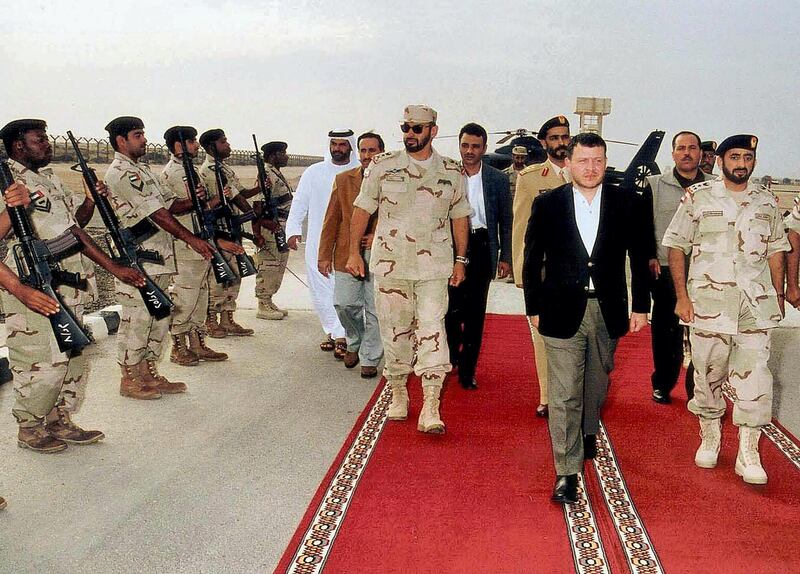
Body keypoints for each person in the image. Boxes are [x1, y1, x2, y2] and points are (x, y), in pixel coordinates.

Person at [0, 119, 145, 451]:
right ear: (19, 145)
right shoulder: (6, 182)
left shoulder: (47, 179)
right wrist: (11, 207)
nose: (47, 145)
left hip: (67, 284)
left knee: (73, 359)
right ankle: (30, 426)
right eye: (40, 140)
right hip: (31, 285)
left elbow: (73, 230)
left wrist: (91, 201)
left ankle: (59, 419)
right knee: (42, 362)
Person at [523, 132, 650, 504]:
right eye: (583, 161)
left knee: (595, 383)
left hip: (607, 309)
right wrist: (533, 306)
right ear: (569, 163)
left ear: (606, 163)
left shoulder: (629, 203)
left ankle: (588, 428)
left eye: (597, 161)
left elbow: (642, 260)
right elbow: (532, 260)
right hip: (559, 309)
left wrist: (641, 306)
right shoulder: (548, 205)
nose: (590, 168)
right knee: (564, 394)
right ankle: (567, 471)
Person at [664, 134, 788, 485]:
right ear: (720, 161)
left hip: (754, 306)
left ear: (753, 162)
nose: (741, 163)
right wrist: (681, 297)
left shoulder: (767, 203)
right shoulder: (699, 198)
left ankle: (749, 451)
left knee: (756, 378)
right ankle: (711, 434)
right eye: (734, 156)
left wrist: (777, 294)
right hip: (708, 304)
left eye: (747, 157)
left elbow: (777, 250)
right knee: (707, 374)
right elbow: (676, 245)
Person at [346, 104, 471, 434]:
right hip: (392, 266)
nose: (410, 135)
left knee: (432, 330)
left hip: (433, 268)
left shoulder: (451, 171)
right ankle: (399, 392)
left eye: (417, 129)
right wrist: (353, 252)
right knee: (394, 331)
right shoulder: (383, 167)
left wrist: (461, 260)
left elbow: (460, 216)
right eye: (405, 128)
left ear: (433, 130)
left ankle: (431, 405)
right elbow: (362, 210)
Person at [103, 116, 215, 400]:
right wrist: (190, 238)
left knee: (156, 319)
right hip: (139, 258)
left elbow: (171, 205)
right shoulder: (122, 173)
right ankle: (129, 377)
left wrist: (195, 200)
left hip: (159, 257)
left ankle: (148, 372)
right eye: (138, 135)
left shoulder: (143, 170)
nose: (144, 139)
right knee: (137, 320)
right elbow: (157, 213)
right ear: (121, 141)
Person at [645, 131, 714, 404]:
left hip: (705, 272)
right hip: (664, 271)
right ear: (673, 153)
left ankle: (695, 388)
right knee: (665, 333)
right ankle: (662, 383)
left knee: (704, 334)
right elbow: (643, 229)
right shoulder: (654, 185)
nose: (687, 153)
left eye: (692, 148)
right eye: (681, 148)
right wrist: (649, 257)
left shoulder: (715, 187)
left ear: (700, 154)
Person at [512, 115, 572, 418]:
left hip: (578, 273)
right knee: (543, 337)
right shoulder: (531, 178)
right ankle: (548, 396)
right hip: (546, 273)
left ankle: (575, 395)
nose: (561, 143)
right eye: (555, 138)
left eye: (565, 137)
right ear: (543, 143)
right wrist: (524, 272)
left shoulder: (585, 172)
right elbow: (521, 227)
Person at [445, 123, 512, 389]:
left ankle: (467, 371)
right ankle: (451, 357)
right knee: (450, 310)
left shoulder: (497, 179)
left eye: (475, 146)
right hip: (451, 248)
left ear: (484, 148)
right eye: (465, 145)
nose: (469, 151)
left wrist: (505, 256)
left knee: (475, 313)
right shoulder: (449, 175)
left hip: (483, 246)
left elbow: (506, 221)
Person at [160, 126, 233, 366]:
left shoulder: (191, 170)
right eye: (191, 141)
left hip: (202, 240)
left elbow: (202, 207)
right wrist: (195, 200)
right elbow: (172, 208)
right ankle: (178, 348)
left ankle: (198, 344)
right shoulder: (172, 173)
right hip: (185, 245)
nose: (195, 145)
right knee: (185, 298)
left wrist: (217, 199)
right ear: (178, 145)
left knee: (201, 297)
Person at [286, 129, 358, 358]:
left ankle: (346, 333)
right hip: (318, 240)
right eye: (334, 144)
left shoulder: (359, 172)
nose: (337, 148)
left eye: (342, 144)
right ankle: (336, 333)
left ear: (350, 146)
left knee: (347, 291)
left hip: (349, 241)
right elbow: (299, 203)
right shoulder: (313, 172)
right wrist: (293, 230)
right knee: (321, 289)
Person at [318, 132, 385, 378]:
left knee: (376, 308)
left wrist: (377, 235)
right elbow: (331, 219)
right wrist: (324, 255)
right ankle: (354, 339)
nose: (367, 156)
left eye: (372, 151)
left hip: (381, 255)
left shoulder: (393, 180)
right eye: (363, 151)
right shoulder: (344, 179)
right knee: (344, 303)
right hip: (348, 254)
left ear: (382, 152)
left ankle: (369, 356)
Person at [198, 129, 257, 338]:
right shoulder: (205, 172)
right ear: (212, 146)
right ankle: (211, 321)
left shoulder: (225, 169)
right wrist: (217, 239)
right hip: (218, 232)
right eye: (224, 142)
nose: (228, 144)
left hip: (232, 229)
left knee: (235, 276)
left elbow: (238, 195)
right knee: (217, 279)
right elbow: (203, 210)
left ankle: (228, 319)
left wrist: (254, 205)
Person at [254, 140, 294, 320]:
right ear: (273, 155)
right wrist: (259, 231)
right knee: (269, 265)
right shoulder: (266, 174)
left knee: (278, 265)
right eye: (283, 152)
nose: (286, 156)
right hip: (270, 227)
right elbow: (257, 205)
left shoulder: (275, 173)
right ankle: (263, 303)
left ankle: (268, 300)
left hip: (281, 226)